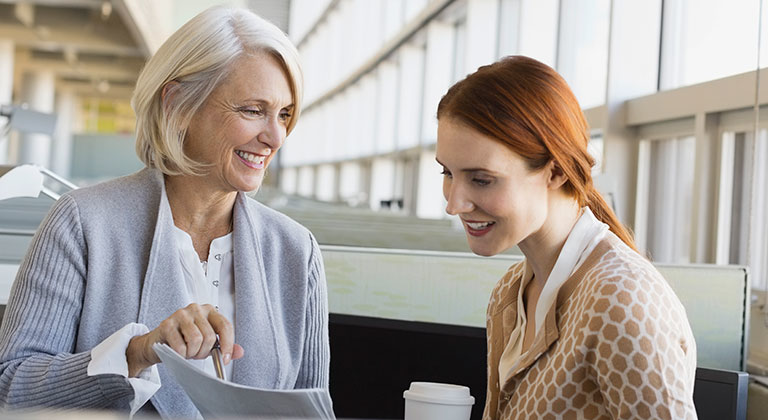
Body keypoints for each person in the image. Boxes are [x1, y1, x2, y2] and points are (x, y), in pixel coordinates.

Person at [0, 6, 329, 419]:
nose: (275, 136)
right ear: (178, 104)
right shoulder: (83, 224)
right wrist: (136, 353)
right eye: (252, 110)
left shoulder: (296, 251)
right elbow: (11, 383)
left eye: (284, 114)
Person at [435, 56, 697, 419]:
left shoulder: (622, 302)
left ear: (555, 172)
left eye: (481, 179)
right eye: (448, 173)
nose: (454, 204)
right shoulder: (509, 295)